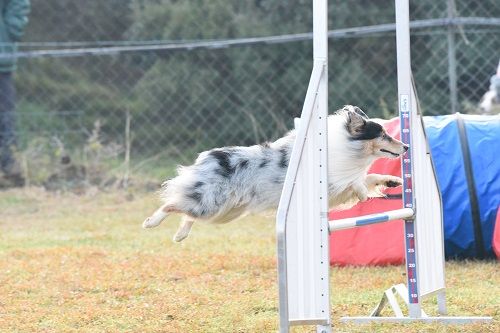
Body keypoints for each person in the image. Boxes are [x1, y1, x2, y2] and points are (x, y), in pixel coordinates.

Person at [0, 0, 30, 187]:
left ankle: (9, 169)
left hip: (1, 62)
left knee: (4, 117)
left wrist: (7, 36)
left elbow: (19, 6)